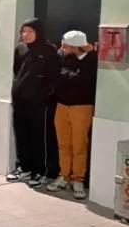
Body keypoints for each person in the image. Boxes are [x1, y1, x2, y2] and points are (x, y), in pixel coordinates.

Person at [8, 18, 60, 187]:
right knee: (21, 135)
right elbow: (17, 71)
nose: (26, 35)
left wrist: (43, 95)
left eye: (30, 31)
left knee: (39, 137)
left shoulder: (49, 50)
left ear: (38, 32)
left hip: (39, 103)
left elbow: (53, 77)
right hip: (20, 101)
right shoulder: (20, 48)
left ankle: (41, 171)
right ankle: (24, 167)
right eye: (23, 31)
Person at [46, 31, 98, 199]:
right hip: (62, 105)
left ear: (76, 47)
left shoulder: (92, 60)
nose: (62, 48)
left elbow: (83, 81)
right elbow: (57, 76)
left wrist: (67, 76)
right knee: (63, 143)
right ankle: (64, 175)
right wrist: (70, 76)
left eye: (65, 45)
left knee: (79, 145)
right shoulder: (63, 57)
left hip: (82, 107)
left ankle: (78, 179)